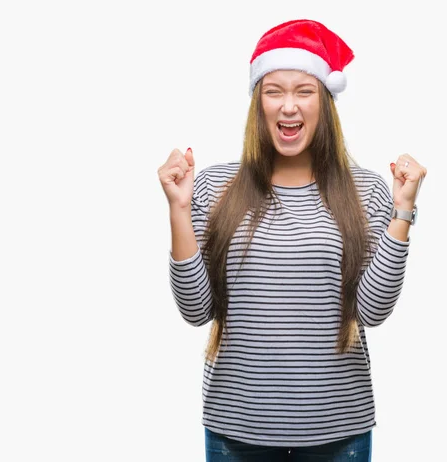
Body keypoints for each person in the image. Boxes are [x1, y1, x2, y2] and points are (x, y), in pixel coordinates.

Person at [158, 19, 427, 462]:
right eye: (274, 91)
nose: (288, 106)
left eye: (304, 91)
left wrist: (402, 212)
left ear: (325, 102)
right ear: (257, 103)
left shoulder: (366, 190)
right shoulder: (214, 185)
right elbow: (195, 311)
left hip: (339, 430)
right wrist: (179, 210)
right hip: (235, 429)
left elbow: (373, 312)